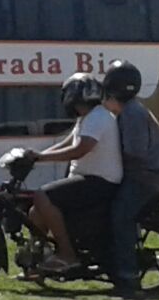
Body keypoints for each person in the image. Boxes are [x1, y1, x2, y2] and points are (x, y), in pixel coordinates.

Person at [26, 73, 123, 273]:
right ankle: (38, 259)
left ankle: (67, 254)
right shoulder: (88, 117)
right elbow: (69, 141)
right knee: (36, 212)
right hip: (89, 179)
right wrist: (37, 155)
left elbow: (80, 149)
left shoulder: (97, 117)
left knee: (42, 196)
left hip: (100, 182)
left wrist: (42, 158)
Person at [102, 60, 159, 296]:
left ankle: (128, 276)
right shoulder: (133, 110)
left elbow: (135, 152)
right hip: (146, 175)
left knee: (121, 216)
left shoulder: (131, 114)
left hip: (145, 177)